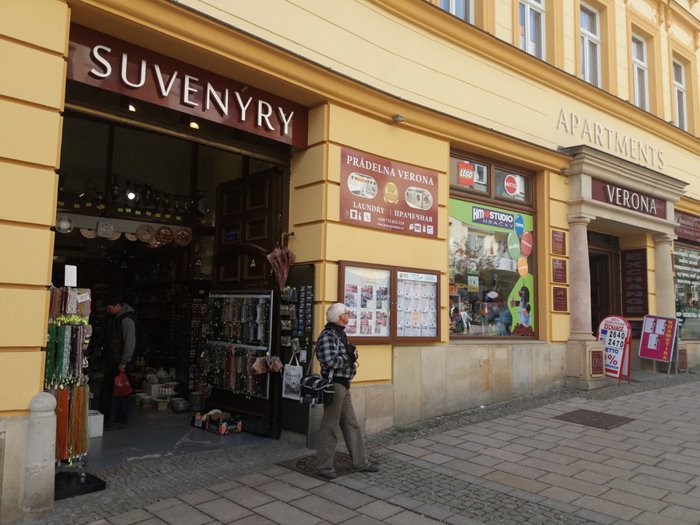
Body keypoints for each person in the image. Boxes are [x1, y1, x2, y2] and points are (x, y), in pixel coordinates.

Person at [314, 302, 379, 479]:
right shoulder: (328, 335)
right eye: (346, 313)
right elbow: (329, 361)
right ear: (339, 317)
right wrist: (349, 358)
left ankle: (361, 462)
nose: (348, 315)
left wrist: (350, 354)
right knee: (330, 426)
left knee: (351, 424)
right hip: (334, 385)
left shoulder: (339, 334)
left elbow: (339, 357)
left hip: (343, 385)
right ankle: (324, 467)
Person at [100, 294, 136, 430]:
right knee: (108, 390)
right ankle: (107, 418)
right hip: (113, 361)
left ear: (118, 306)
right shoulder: (115, 318)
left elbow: (130, 343)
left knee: (121, 392)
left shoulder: (126, 320)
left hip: (121, 363)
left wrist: (124, 362)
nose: (107, 311)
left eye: (109, 308)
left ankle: (120, 420)